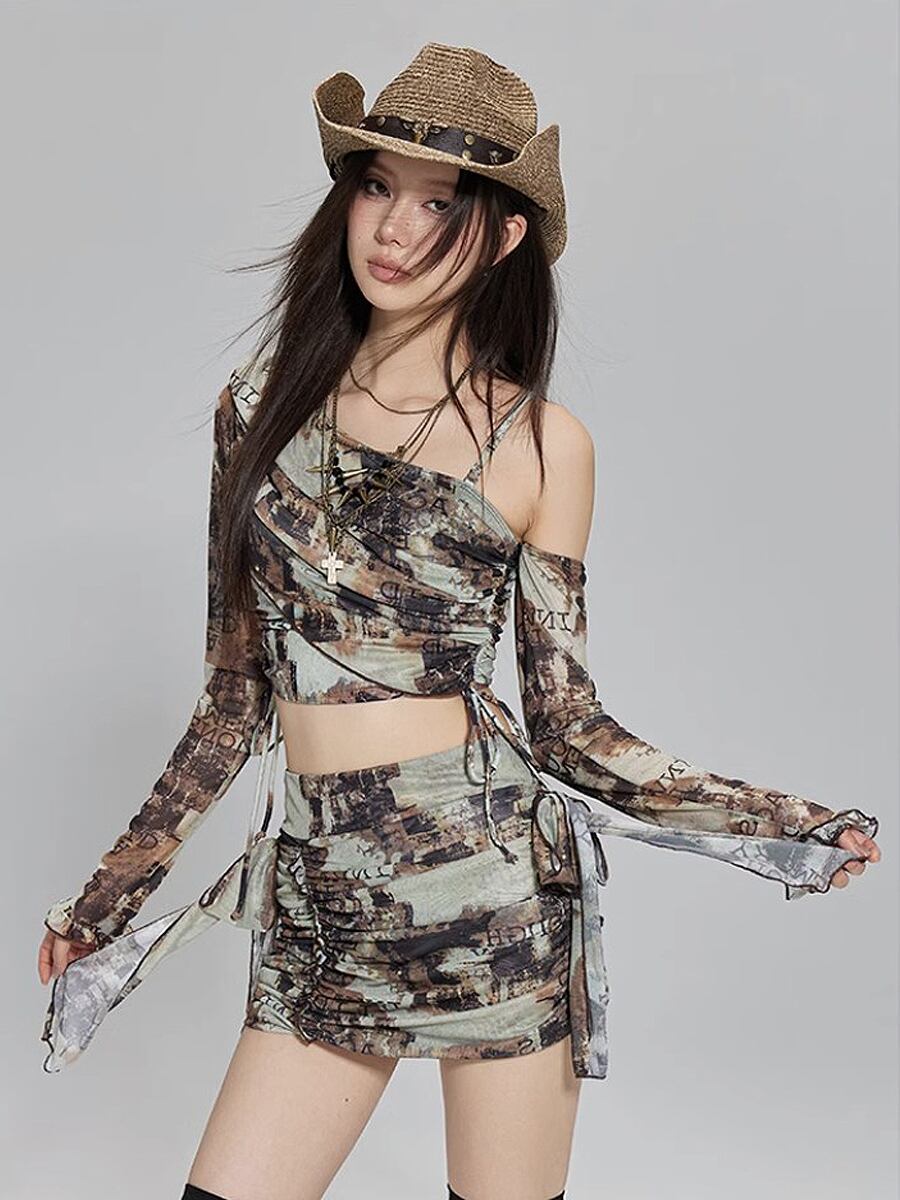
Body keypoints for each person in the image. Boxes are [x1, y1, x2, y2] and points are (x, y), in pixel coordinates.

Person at [37, 42, 880, 1200]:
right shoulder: (261, 407)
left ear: (506, 233)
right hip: (322, 898)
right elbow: (233, 698)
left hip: (492, 899)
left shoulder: (542, 447)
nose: (393, 226)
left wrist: (779, 822)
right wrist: (106, 899)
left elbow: (574, 730)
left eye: (440, 203)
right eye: (377, 186)